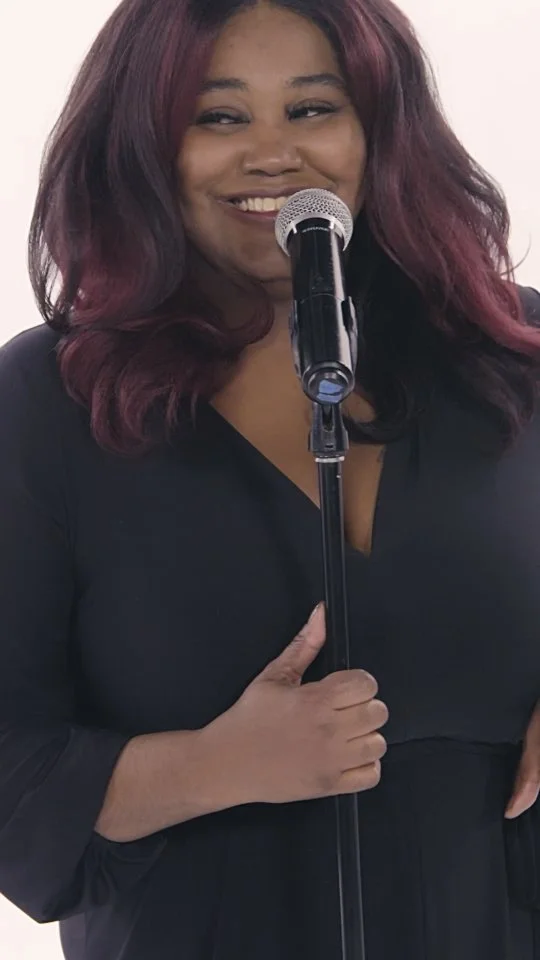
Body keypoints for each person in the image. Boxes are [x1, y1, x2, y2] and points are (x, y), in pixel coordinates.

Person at [1, 0, 540, 957]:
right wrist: (216, 766)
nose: (272, 155)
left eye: (312, 108)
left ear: (381, 129)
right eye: (218, 116)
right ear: (143, 144)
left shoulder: (512, 356)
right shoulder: (50, 398)